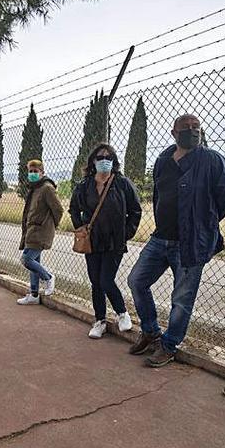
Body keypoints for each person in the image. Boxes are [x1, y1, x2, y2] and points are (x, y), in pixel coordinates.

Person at [127, 114, 225, 367]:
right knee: (136, 281)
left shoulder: (212, 160)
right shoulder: (163, 160)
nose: (192, 131)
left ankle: (169, 345)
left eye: (196, 127)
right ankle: (151, 331)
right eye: (186, 128)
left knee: (182, 299)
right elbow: (157, 195)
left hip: (190, 243)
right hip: (160, 238)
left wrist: (203, 222)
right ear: (174, 132)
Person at [69, 143, 142, 338]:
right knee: (95, 281)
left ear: (114, 161)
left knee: (106, 280)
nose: (104, 161)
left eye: (108, 157)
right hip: (92, 240)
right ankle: (99, 320)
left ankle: (122, 313)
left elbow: (135, 210)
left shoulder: (122, 183)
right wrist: (80, 226)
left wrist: (126, 233)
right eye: (100, 157)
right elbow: (74, 209)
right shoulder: (84, 185)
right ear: (93, 161)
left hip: (114, 241)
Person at [17, 159, 64, 305]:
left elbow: (58, 209)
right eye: (30, 171)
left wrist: (50, 225)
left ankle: (48, 277)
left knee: (26, 259)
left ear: (42, 172)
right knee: (34, 262)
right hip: (31, 230)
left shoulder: (46, 188)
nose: (32, 174)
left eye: (35, 171)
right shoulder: (35, 188)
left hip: (40, 231)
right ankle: (34, 294)